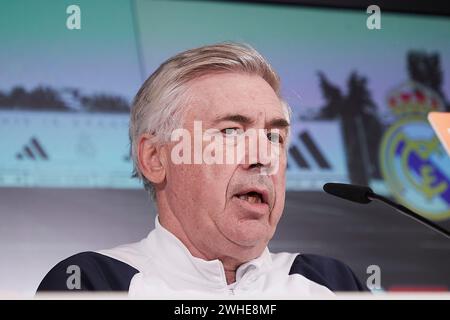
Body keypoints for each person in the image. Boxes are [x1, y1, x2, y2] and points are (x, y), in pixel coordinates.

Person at [37, 43, 366, 297]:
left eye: (273, 136)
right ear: (155, 158)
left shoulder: (332, 283)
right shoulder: (95, 282)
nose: (263, 157)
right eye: (230, 132)